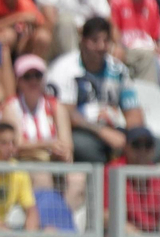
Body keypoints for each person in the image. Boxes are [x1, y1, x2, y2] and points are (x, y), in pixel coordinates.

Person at [47, 17, 142, 163]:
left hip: (113, 128)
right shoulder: (64, 69)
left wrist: (134, 139)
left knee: (149, 147)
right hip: (80, 130)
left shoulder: (118, 69)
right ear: (83, 41)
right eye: (95, 41)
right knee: (89, 149)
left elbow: (133, 111)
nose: (101, 46)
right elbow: (67, 113)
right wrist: (103, 132)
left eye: (106, 41)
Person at [3, 53, 72, 162]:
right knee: (41, 174)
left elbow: (67, 143)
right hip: (25, 161)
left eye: (38, 75)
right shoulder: (11, 107)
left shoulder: (56, 106)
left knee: (76, 176)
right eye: (27, 77)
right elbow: (17, 143)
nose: (33, 81)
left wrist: (61, 151)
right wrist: (48, 144)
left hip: (54, 160)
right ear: (18, 81)